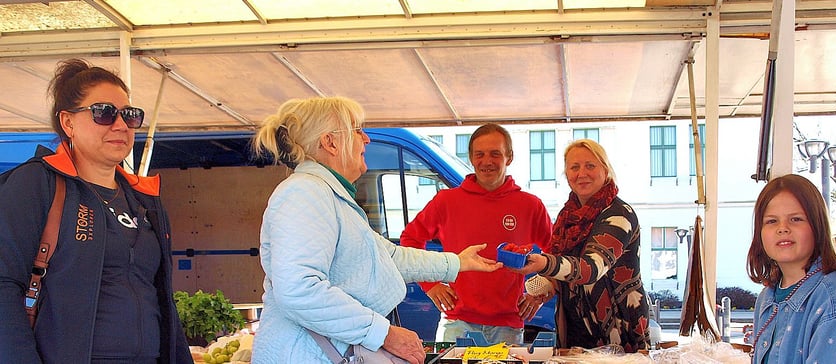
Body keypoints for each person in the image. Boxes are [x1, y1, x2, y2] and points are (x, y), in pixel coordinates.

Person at [250, 97, 503, 364]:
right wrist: (384, 334)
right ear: (330, 142)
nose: (366, 140)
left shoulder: (328, 195)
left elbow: (388, 257)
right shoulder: (304, 193)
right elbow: (299, 290)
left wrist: (456, 262)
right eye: (357, 130)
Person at [0, 59, 192, 362]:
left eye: (129, 116)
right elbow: (4, 285)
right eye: (103, 113)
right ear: (68, 122)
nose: (120, 125)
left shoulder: (145, 199)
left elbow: (163, 301)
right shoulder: (37, 183)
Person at [400, 123, 552, 345]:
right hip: (457, 322)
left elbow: (557, 253)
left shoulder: (530, 206)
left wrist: (540, 293)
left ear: (509, 157)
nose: (487, 161)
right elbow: (410, 240)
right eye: (479, 154)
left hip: (508, 325)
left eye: (495, 154)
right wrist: (430, 285)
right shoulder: (447, 201)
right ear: (471, 158)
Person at [511, 139, 649, 353]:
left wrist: (543, 263)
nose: (581, 173)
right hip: (576, 332)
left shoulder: (619, 214)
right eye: (574, 167)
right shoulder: (568, 216)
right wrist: (538, 290)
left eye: (590, 166)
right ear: (566, 174)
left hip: (619, 334)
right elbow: (564, 272)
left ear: (605, 170)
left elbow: (590, 269)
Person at [746, 174, 836, 363]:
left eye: (795, 219)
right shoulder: (766, 297)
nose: (783, 228)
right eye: (771, 221)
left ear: (817, 226)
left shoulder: (833, 294)